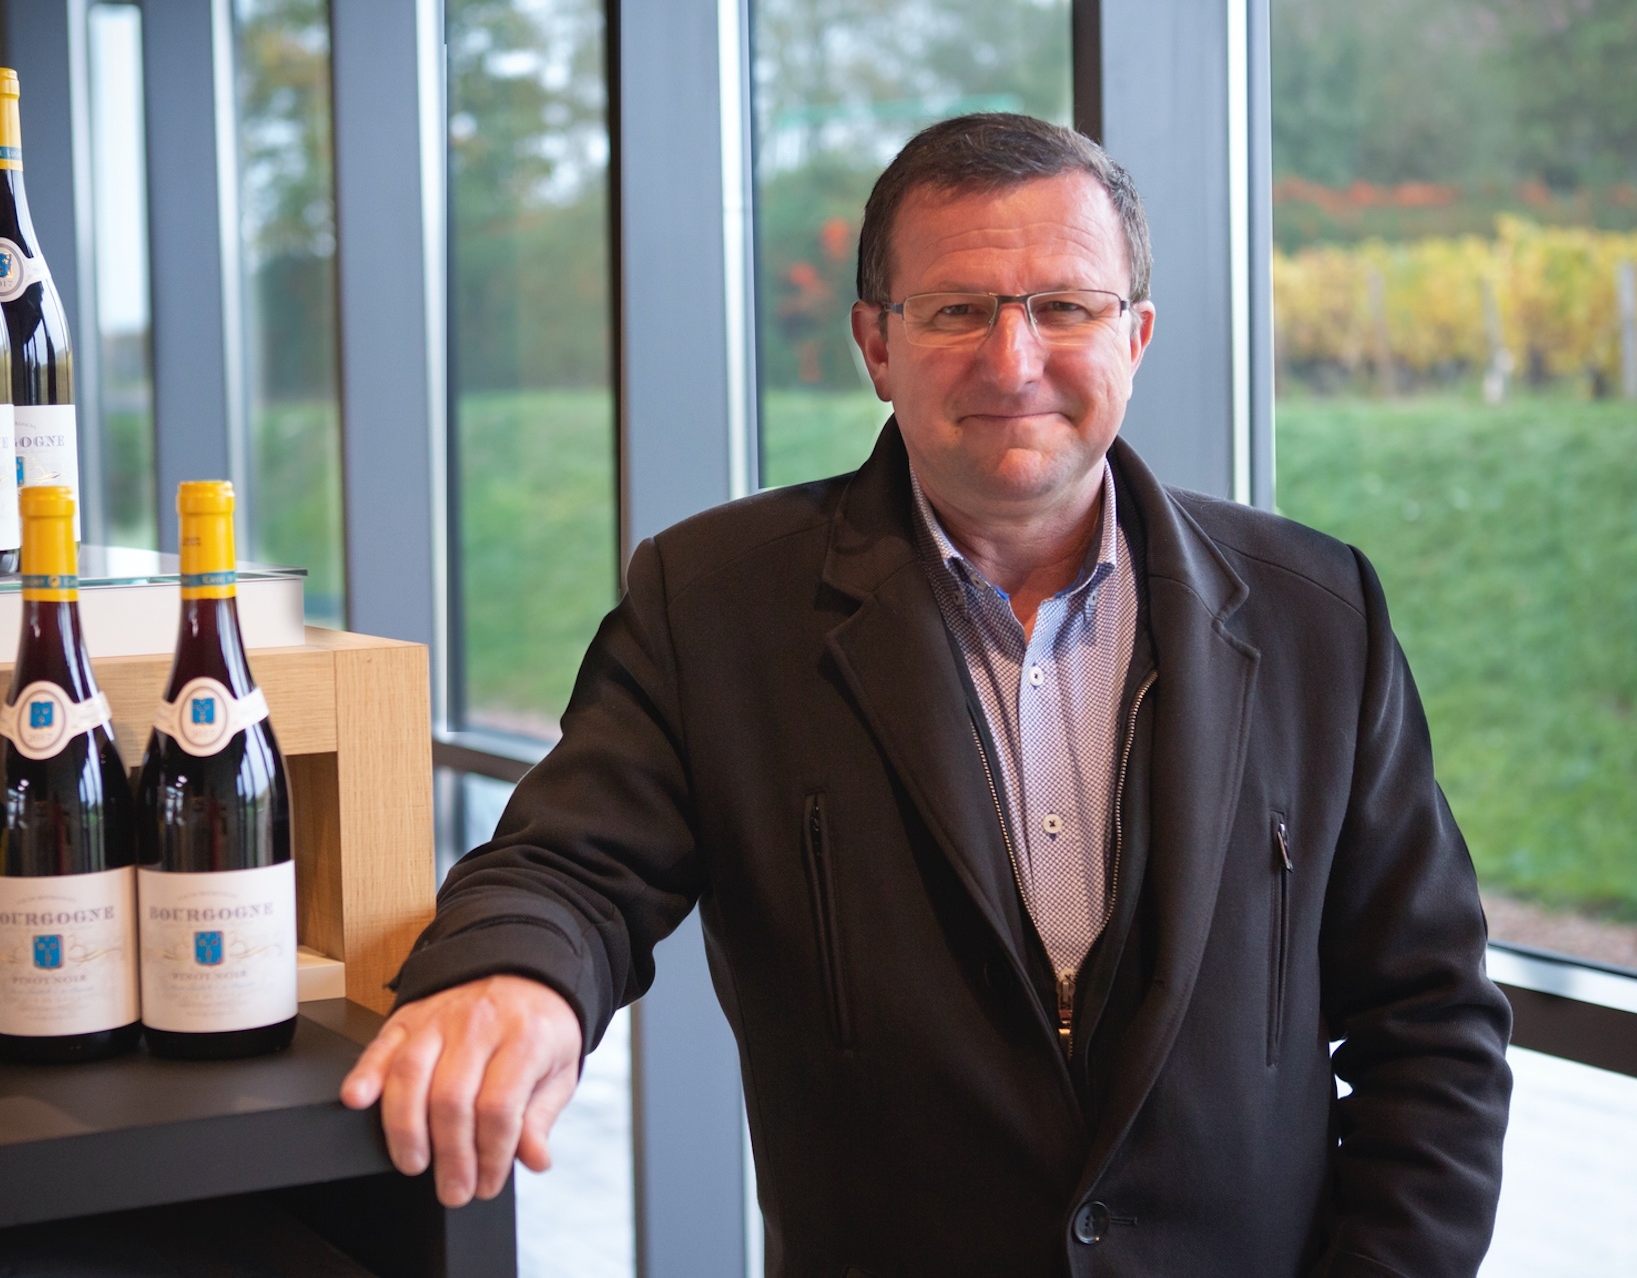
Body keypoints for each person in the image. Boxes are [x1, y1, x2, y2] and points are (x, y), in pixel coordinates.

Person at [341, 113, 1513, 1274]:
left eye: (1065, 306)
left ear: (1136, 335)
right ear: (876, 345)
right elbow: (570, 866)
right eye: (957, 311)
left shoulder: (1318, 612)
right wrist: (513, 974)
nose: (1015, 361)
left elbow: (1433, 1025)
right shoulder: (715, 605)